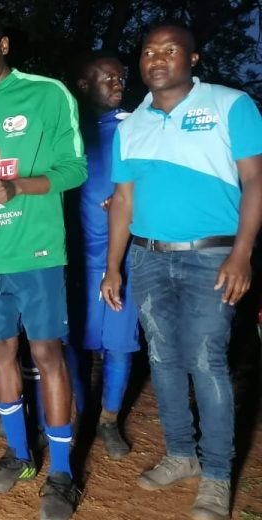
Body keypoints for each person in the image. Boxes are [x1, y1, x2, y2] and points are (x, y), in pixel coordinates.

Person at [101, 23, 262, 520]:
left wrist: (242, 253)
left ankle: (216, 475)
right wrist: (113, 267)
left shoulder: (231, 105)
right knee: (163, 360)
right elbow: (123, 200)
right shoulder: (131, 126)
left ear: (192, 58)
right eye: (149, 51)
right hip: (148, 256)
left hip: (212, 255)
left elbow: (255, 180)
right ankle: (180, 455)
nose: (158, 58)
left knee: (206, 360)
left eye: (170, 50)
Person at [0, 12, 87, 519]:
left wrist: (18, 187)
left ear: (3, 46)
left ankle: (63, 473)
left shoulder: (47, 94)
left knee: (48, 354)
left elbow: (75, 169)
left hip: (37, 251)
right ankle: (21, 455)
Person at [70, 50, 137, 459]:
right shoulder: (69, 128)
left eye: (120, 77)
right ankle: (79, 415)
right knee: (75, 343)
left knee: (119, 343)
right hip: (78, 254)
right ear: (84, 84)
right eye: (107, 77)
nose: (118, 83)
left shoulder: (134, 127)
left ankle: (110, 421)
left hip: (122, 254)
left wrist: (134, 199)